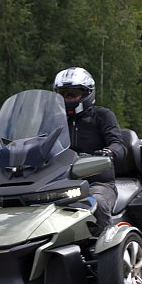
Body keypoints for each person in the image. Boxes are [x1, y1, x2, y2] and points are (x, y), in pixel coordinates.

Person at [53, 66, 126, 231]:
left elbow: (118, 144)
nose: (67, 99)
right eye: (62, 94)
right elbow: (39, 142)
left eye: (72, 94)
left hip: (97, 182)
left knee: (97, 204)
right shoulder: (52, 121)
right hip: (57, 182)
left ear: (87, 93)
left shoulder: (102, 115)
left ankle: (105, 250)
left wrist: (108, 153)